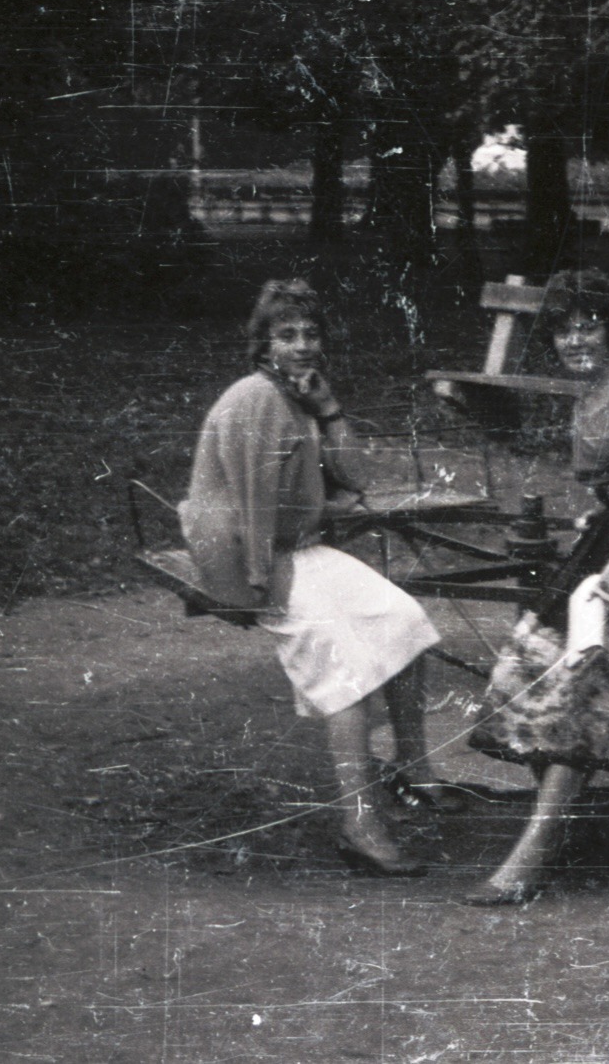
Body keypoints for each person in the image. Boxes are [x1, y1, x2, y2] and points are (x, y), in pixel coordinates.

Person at [178, 278, 447, 877]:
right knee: (346, 669)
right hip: (251, 555)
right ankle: (359, 824)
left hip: (298, 546)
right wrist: (252, 588)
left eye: (311, 333)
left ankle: (412, 767)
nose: (302, 345)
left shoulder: (300, 394)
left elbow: (354, 476)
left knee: (405, 621)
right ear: (262, 343)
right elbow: (252, 505)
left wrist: (330, 412)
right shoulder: (255, 399)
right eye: (287, 335)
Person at [466, 269, 609, 904]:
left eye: (588, 326)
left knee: (583, 686)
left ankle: (530, 858)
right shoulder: (586, 395)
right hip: (606, 542)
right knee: (529, 670)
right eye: (564, 331)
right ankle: (557, 821)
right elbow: (606, 487)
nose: (576, 341)